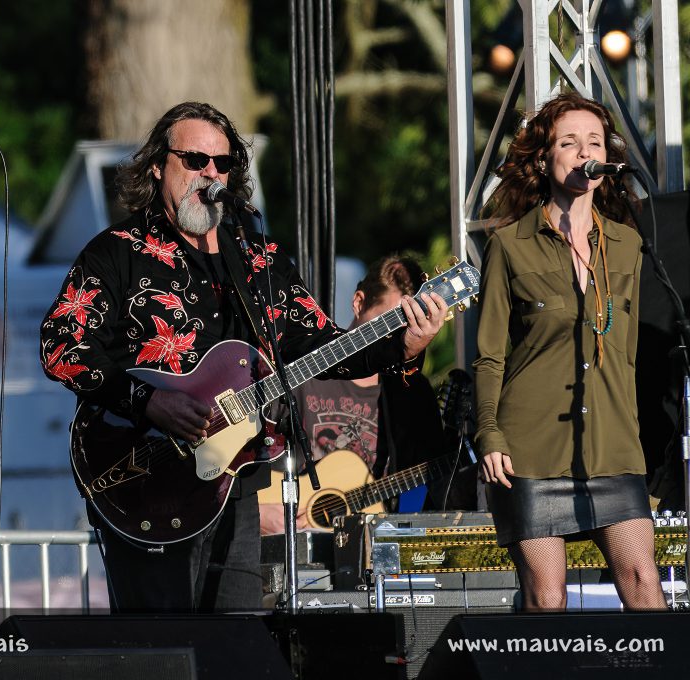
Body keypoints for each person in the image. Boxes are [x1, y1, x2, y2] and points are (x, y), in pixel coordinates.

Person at [39, 101, 447, 611]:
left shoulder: (261, 260)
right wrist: (148, 401)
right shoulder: (116, 252)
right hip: (144, 473)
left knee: (238, 639)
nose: (210, 173)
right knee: (161, 643)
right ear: (156, 167)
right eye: (194, 160)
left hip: (237, 480)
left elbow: (330, 352)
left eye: (222, 164)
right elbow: (61, 346)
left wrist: (403, 348)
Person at [474, 92, 665, 610]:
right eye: (569, 141)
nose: (585, 151)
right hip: (530, 449)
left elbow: (628, 354)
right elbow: (490, 354)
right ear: (544, 157)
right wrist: (489, 433)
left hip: (612, 443)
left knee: (645, 581)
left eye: (595, 142)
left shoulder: (627, 244)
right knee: (547, 596)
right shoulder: (510, 244)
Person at [259, 255, 455, 535]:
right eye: (386, 323)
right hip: (291, 543)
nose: (394, 336)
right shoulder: (305, 371)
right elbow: (239, 458)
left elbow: (435, 492)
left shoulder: (411, 391)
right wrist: (255, 513)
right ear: (358, 302)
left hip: (371, 552)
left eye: (403, 327)